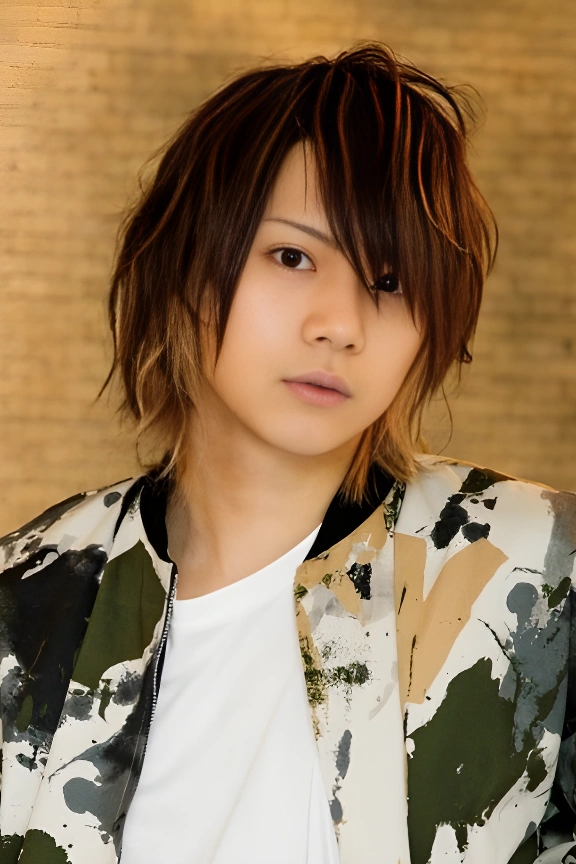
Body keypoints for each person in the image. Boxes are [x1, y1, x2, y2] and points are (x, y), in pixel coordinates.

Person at [0, 41, 574, 864]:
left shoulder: (539, 573)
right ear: (185, 261)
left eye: (389, 282)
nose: (340, 324)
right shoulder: (28, 605)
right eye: (292, 256)